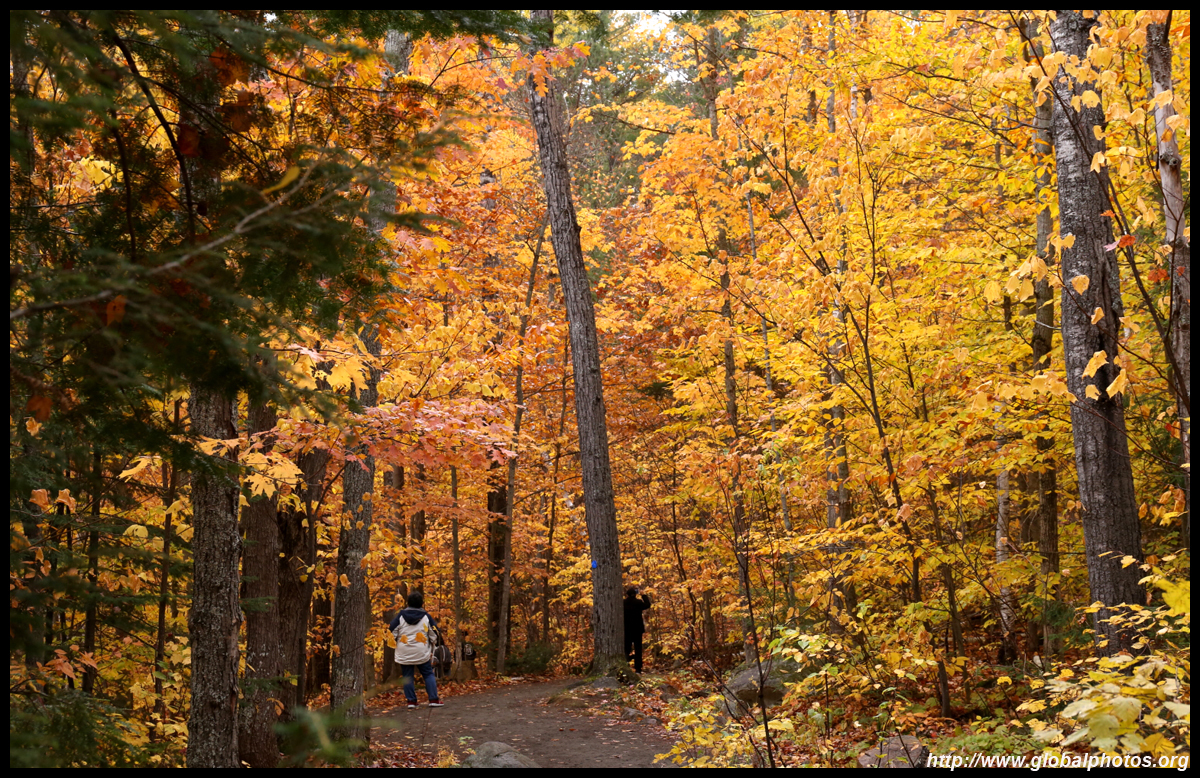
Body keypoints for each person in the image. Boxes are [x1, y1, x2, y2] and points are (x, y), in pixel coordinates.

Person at [389, 590, 444, 709]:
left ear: (408, 602)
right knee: (428, 674)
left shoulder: (400, 616)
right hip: (421, 651)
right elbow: (435, 633)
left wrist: (396, 642)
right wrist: (432, 643)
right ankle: (433, 699)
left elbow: (391, 632)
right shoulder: (426, 617)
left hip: (404, 651)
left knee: (407, 676)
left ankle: (411, 702)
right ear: (421, 603)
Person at [623, 586, 652, 673]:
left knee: (626, 649)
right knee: (638, 649)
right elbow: (647, 604)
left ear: (627, 594)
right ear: (635, 594)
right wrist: (643, 595)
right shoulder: (638, 602)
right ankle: (638, 668)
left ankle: (625, 666)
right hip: (637, 630)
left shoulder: (623, 603)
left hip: (627, 629)